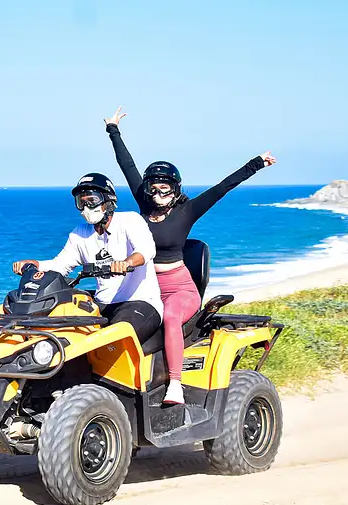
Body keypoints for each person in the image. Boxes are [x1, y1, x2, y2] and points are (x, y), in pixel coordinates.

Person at [102, 106, 276, 405]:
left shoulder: (188, 210)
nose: (158, 192)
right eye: (153, 187)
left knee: (170, 318)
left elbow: (223, 187)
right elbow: (127, 166)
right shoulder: (143, 207)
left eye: (164, 187)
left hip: (179, 288)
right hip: (145, 286)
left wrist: (256, 163)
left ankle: (174, 385)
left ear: (175, 188)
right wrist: (113, 130)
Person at [12, 172, 163, 346]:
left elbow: (146, 249)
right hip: (102, 304)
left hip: (139, 303)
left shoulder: (129, 221)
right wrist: (35, 264)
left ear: (107, 201)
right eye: (81, 202)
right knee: (64, 335)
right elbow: (60, 265)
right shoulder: (80, 233)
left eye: (92, 200)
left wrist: (127, 263)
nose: (86, 207)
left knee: (112, 342)